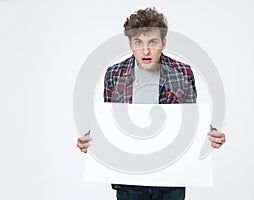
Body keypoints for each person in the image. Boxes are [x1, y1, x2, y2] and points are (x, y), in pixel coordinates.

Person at [77, 7, 226, 200]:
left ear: (164, 42)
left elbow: (191, 118)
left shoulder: (182, 72)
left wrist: (212, 134)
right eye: (138, 42)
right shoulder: (114, 74)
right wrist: (90, 139)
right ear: (130, 43)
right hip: (129, 179)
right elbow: (110, 120)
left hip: (171, 178)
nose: (145, 50)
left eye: (152, 42)